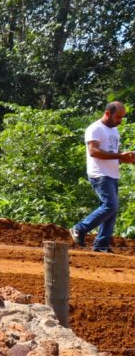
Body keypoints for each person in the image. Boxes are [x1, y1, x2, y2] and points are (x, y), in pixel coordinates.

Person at [71, 101, 134, 253]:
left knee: (111, 210)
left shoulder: (114, 131)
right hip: (99, 174)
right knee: (111, 206)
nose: (120, 120)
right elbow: (93, 152)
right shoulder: (95, 128)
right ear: (107, 113)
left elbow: (113, 154)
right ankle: (80, 228)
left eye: (122, 117)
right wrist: (119, 155)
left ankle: (101, 245)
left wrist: (127, 159)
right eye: (118, 117)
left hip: (112, 174)